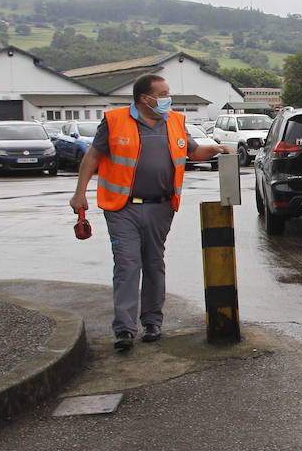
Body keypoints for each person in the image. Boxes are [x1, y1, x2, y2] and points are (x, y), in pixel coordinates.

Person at [68, 75, 231, 352]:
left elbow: (192, 153)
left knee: (154, 263)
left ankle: (153, 322)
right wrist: (79, 192)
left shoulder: (175, 122)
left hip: (161, 206)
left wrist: (215, 149)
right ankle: (124, 329)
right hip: (122, 207)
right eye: (163, 93)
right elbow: (93, 157)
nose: (169, 98)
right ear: (146, 98)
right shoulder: (114, 120)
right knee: (127, 264)